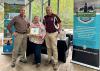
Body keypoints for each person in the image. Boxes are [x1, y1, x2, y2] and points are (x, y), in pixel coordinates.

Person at [43, 6, 61, 70]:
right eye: (47, 10)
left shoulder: (55, 16)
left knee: (54, 48)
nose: (48, 11)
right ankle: (49, 59)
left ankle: (55, 62)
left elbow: (60, 22)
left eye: (49, 10)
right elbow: (43, 25)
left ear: (51, 10)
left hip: (54, 34)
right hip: (47, 34)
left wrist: (59, 30)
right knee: (48, 47)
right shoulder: (45, 17)